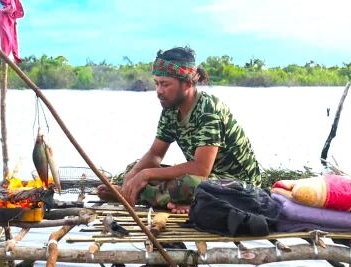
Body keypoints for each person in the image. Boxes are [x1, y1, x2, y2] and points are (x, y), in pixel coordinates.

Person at [99, 46, 261, 213]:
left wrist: (146, 175)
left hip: (240, 188)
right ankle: (132, 192)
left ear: (188, 83)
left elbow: (201, 169)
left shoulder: (208, 109)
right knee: (134, 168)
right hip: (207, 179)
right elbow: (155, 154)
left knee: (187, 185)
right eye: (156, 83)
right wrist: (130, 178)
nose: (159, 91)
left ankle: (134, 195)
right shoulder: (170, 109)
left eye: (165, 84)